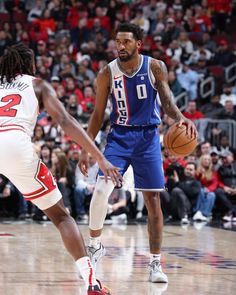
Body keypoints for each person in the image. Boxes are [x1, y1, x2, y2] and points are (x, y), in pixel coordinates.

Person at [0, 43, 122, 295]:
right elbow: (65, 121)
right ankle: (91, 282)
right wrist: (100, 157)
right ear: (30, 65)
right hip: (14, 145)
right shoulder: (38, 85)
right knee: (61, 216)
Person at [79, 23, 197, 283]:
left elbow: (166, 101)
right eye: (117, 42)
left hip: (148, 139)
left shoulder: (155, 66)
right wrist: (87, 149)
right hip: (119, 138)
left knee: (153, 203)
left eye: (126, 42)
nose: (120, 46)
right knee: (100, 192)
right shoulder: (106, 73)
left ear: (139, 43)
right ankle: (95, 245)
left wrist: (180, 117)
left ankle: (155, 263)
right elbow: (98, 115)